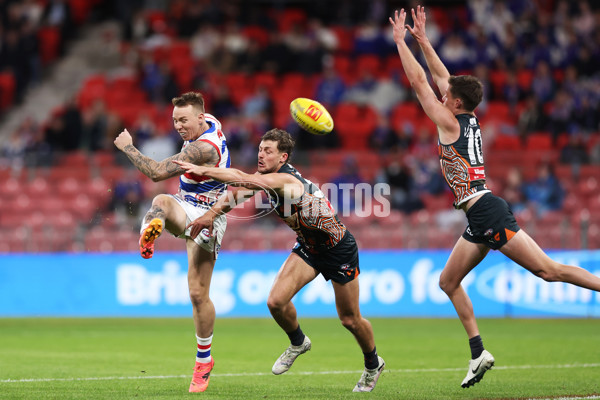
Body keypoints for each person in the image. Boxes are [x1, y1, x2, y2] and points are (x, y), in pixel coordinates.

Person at [389, 6, 600, 389]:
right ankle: (478, 352)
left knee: (548, 271)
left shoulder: (450, 121)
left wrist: (402, 44)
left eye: (446, 93)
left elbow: (421, 82)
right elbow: (441, 77)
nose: (443, 91)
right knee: (447, 282)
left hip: (486, 211)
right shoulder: (466, 116)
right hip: (479, 214)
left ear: (453, 102)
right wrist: (423, 39)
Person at [173, 128, 385, 392]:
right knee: (275, 302)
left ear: (283, 157)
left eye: (268, 151)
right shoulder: (266, 177)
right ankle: (299, 342)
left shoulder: (287, 181)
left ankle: (372, 364)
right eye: (260, 149)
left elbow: (240, 179)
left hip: (338, 249)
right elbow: (237, 193)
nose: (261, 155)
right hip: (309, 248)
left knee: (350, 319)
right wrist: (210, 215)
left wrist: (201, 170)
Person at [113, 92, 230, 393]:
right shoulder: (208, 121)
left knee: (197, 294)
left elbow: (154, 172)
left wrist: (128, 147)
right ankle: (147, 235)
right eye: (175, 120)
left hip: (210, 215)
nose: (178, 126)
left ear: (200, 118)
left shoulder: (204, 148)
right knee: (162, 201)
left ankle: (204, 360)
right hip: (185, 203)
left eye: (183, 120)